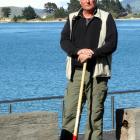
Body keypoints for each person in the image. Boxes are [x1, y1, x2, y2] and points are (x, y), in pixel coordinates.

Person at [60, 0, 118, 140]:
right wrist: (78, 52)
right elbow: (64, 41)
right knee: (70, 113)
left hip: (98, 74)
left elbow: (112, 43)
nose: (88, 1)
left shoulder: (106, 17)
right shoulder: (72, 17)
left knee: (95, 116)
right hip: (76, 74)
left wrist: (92, 53)